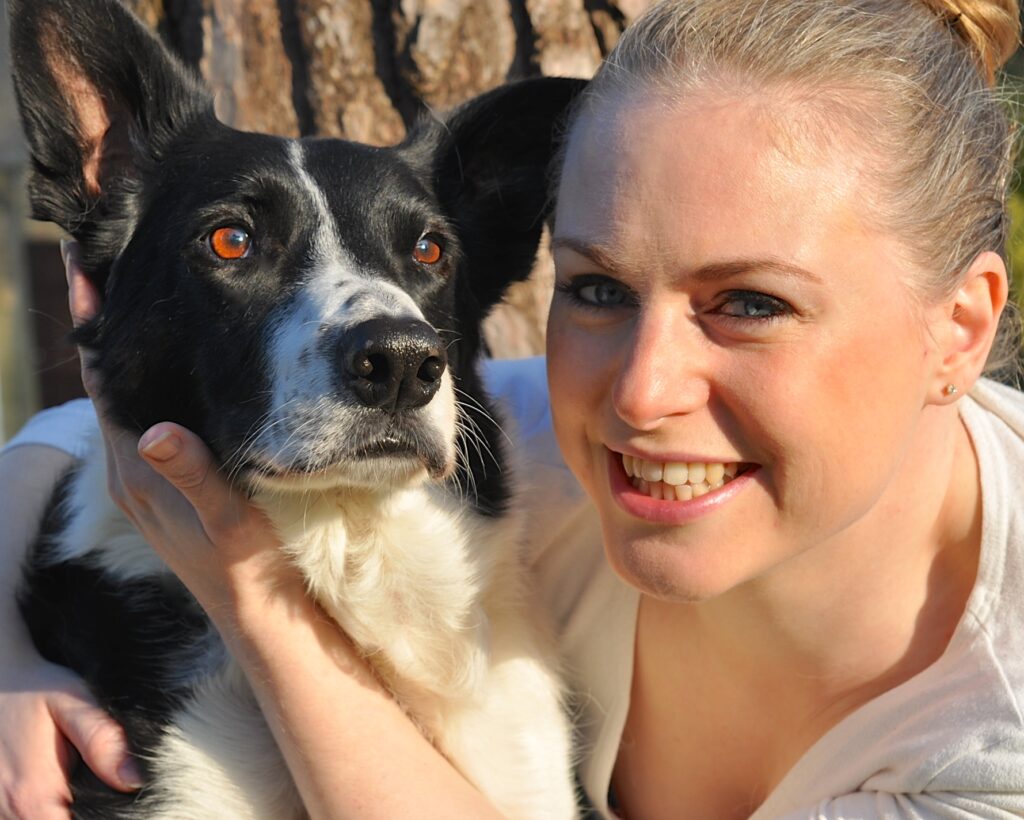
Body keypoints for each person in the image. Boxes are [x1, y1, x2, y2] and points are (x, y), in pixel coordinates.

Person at [3, 0, 1024, 816]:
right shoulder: (558, 456)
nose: (639, 392)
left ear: (960, 327)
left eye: (749, 303)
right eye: (596, 288)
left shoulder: (996, 735)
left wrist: (257, 603)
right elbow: (58, 444)